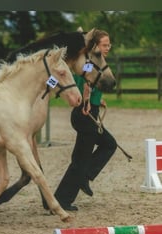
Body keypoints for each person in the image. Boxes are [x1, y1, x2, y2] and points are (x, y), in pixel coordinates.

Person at [54, 29, 117, 211]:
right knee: (103, 147)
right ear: (95, 45)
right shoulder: (88, 64)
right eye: (105, 45)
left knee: (86, 156)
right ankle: (80, 180)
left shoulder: (93, 62)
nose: (108, 48)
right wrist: (88, 100)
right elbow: (85, 82)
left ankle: (61, 197)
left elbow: (93, 84)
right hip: (85, 112)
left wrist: (98, 99)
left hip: (89, 111)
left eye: (109, 45)